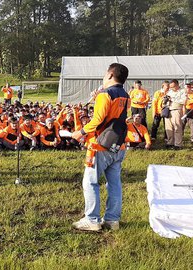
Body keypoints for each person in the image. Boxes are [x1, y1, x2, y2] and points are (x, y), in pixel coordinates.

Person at [71, 63, 130, 232]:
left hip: (100, 145)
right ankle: (112, 220)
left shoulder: (106, 94)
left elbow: (97, 120)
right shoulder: (125, 95)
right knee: (114, 183)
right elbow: (116, 115)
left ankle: (92, 219)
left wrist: (80, 132)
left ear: (110, 75)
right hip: (119, 144)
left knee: (90, 181)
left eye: (105, 74)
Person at [164, 79, 186, 150]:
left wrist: (173, 99)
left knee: (177, 127)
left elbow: (183, 101)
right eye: (171, 87)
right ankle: (170, 142)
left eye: (173, 87)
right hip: (168, 110)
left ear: (177, 85)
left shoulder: (182, 91)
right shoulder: (169, 92)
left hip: (177, 110)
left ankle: (178, 144)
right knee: (169, 128)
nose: (172, 88)